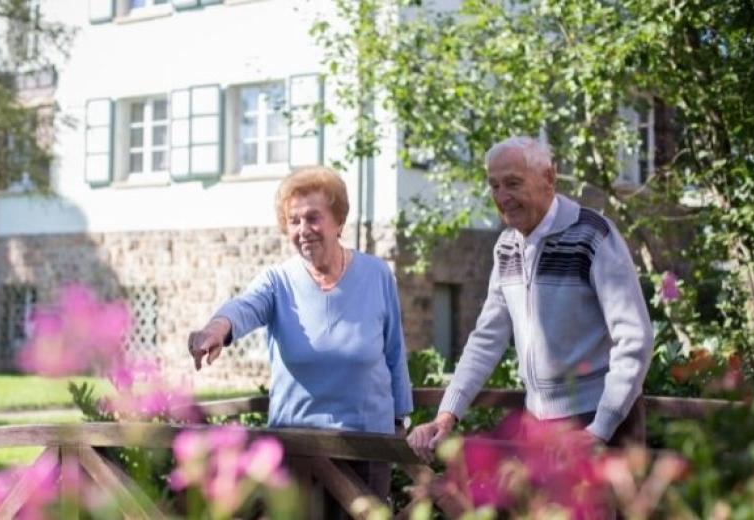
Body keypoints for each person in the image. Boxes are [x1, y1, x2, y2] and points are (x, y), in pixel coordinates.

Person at [407, 136, 654, 463]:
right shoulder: (507, 246)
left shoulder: (593, 235)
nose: (502, 197)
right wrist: (447, 415)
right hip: (538, 425)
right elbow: (486, 339)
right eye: (494, 186)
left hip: (600, 423)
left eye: (512, 183)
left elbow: (635, 338)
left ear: (549, 179)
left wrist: (600, 428)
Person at [188, 165, 413, 503]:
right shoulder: (278, 281)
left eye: (313, 218)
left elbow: (394, 352)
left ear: (338, 221)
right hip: (297, 450)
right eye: (293, 221)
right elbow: (244, 307)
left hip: (368, 446)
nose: (303, 229)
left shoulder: (377, 274)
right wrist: (215, 329)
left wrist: (398, 422)